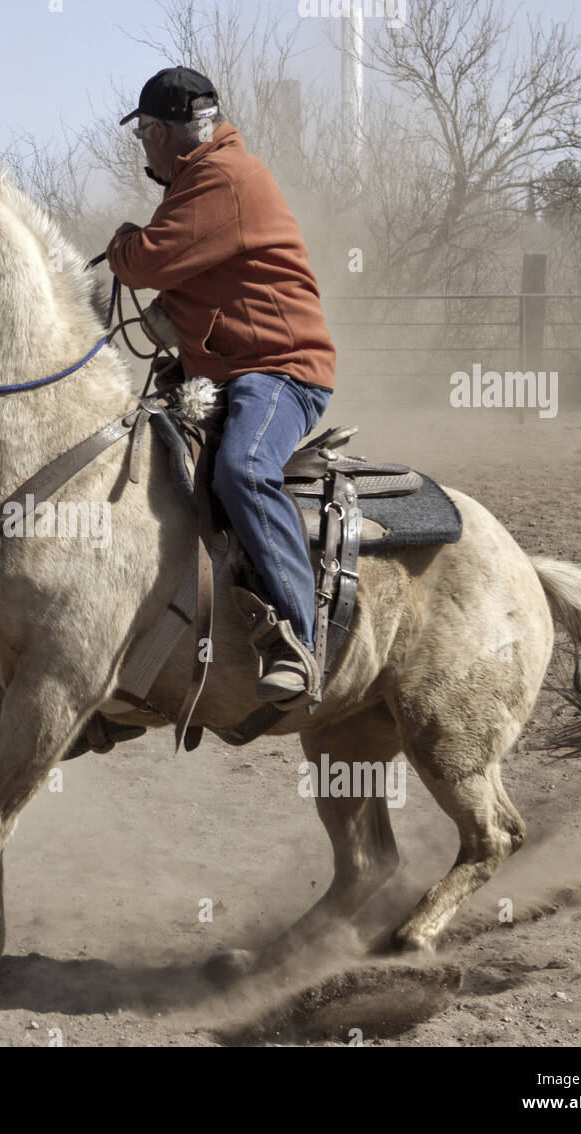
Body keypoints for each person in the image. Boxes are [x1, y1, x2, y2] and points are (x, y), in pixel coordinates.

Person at [106, 67, 337, 704]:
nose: (144, 147)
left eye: (145, 133)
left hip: (279, 369)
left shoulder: (221, 178)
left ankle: (297, 642)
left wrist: (122, 240)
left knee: (242, 468)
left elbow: (147, 259)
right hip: (233, 370)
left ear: (166, 131)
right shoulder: (200, 180)